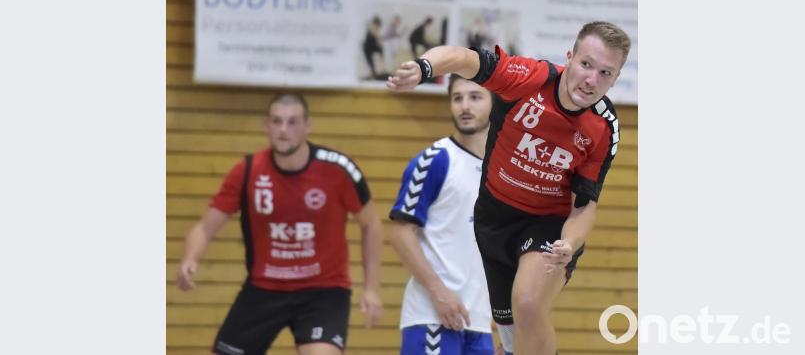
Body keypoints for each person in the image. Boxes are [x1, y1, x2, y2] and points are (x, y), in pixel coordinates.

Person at [387, 21, 630, 355]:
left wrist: (569, 244)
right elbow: (462, 57)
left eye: (605, 72)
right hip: (494, 220)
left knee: (528, 302)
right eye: (586, 64)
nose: (591, 80)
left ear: (615, 79)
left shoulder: (603, 127)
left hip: (548, 224)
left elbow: (585, 205)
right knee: (513, 337)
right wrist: (424, 67)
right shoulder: (527, 78)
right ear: (570, 58)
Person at [175, 93, 384, 355]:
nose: (284, 130)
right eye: (277, 121)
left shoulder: (339, 169)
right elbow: (205, 227)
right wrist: (189, 259)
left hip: (323, 290)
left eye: (292, 122)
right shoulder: (248, 171)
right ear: (267, 125)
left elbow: (371, 225)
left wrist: (372, 289)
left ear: (308, 126)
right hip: (264, 288)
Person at [389, 74, 494, 355]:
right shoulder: (435, 159)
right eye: (457, 98)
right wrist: (438, 291)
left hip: (479, 322)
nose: (464, 106)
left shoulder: (501, 172)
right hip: (432, 318)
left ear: (495, 104)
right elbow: (400, 233)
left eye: (475, 97)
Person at [363, 16, 387, 80]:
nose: (377, 28)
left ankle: (381, 69)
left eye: (378, 26)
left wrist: (380, 42)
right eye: (376, 26)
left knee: (381, 50)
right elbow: (376, 35)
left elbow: (378, 39)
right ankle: (372, 74)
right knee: (371, 65)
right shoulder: (371, 29)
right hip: (367, 48)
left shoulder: (376, 29)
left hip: (373, 46)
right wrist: (379, 39)